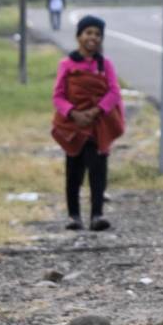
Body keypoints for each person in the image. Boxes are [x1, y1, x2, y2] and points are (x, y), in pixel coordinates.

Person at [51, 15, 124, 232]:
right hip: (73, 126)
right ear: (79, 36)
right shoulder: (66, 64)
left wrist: (96, 110)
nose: (93, 38)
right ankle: (74, 216)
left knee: (97, 171)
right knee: (73, 171)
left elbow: (114, 92)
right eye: (88, 33)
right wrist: (73, 113)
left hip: (98, 125)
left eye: (97, 34)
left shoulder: (105, 65)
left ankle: (97, 215)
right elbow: (58, 96)